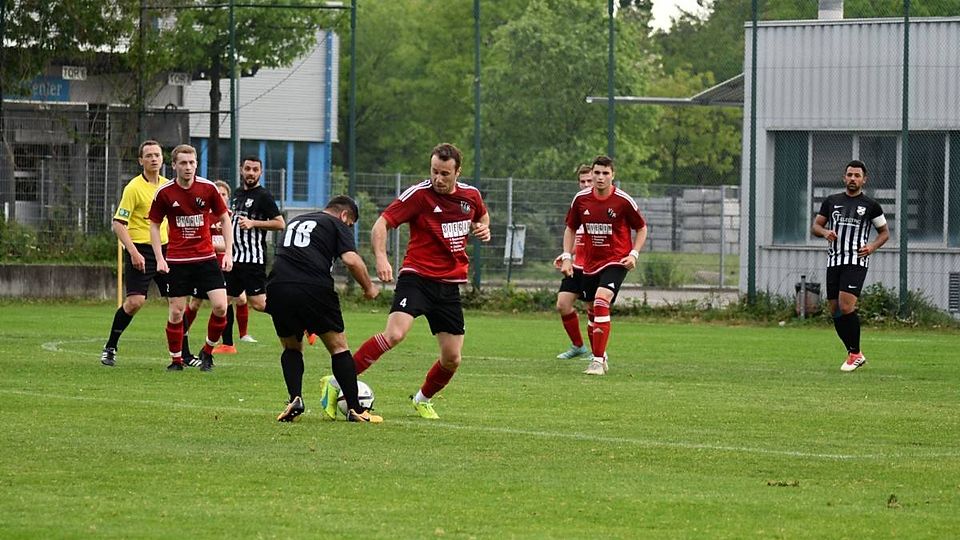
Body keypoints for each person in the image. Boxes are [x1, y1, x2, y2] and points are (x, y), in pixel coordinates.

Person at [351, 143, 490, 419]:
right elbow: (381, 223)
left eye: (445, 174)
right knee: (394, 334)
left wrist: (483, 227)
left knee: (452, 358)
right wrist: (381, 257)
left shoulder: (471, 196)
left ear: (458, 172)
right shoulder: (418, 195)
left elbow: (482, 216)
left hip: (449, 285)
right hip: (417, 278)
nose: (438, 178)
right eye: (434, 171)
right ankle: (338, 381)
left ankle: (422, 399)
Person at [267, 196, 382, 423]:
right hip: (313, 286)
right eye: (350, 224)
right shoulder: (337, 223)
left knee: (291, 347)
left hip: (278, 285)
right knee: (338, 347)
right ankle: (355, 409)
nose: (349, 228)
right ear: (344, 215)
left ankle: (295, 398)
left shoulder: (296, 221)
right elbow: (351, 260)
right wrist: (369, 287)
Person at [560, 155, 647, 376]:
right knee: (591, 310)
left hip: (617, 259)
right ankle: (601, 354)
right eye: (597, 173)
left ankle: (597, 361)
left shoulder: (623, 201)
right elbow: (570, 228)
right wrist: (567, 256)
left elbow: (641, 228)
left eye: (605, 173)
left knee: (601, 300)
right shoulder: (581, 199)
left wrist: (634, 254)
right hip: (590, 263)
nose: (600, 177)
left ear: (612, 175)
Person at [148, 144, 233, 372]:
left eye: (192, 162)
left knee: (221, 307)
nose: (188, 167)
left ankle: (207, 352)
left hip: (206, 258)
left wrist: (228, 253)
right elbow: (154, 225)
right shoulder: (164, 193)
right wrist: (160, 258)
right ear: (174, 165)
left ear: (197, 164)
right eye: (183, 163)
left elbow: (225, 219)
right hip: (178, 260)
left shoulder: (208, 188)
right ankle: (176, 360)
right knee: (176, 312)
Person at [811, 159, 889, 372]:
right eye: (850, 175)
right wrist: (825, 232)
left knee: (846, 306)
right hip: (834, 260)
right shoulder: (831, 201)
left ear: (864, 180)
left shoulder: (871, 206)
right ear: (844, 177)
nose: (853, 179)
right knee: (835, 310)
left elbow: (884, 233)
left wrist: (871, 247)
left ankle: (854, 353)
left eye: (857, 176)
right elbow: (816, 226)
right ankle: (855, 353)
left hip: (856, 261)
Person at [100, 140, 170, 367]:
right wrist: (133, 252)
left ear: (162, 158)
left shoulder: (168, 186)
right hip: (142, 250)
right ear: (141, 160)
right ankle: (110, 346)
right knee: (135, 302)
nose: (153, 159)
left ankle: (184, 354)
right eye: (148, 155)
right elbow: (118, 223)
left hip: (166, 250)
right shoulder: (133, 188)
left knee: (177, 301)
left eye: (157, 155)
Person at [215, 155, 285, 355]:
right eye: (248, 169)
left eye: (255, 170)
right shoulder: (237, 194)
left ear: (261, 172)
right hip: (234, 258)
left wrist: (254, 223)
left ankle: (303, 323)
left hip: (252, 260)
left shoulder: (263, 196)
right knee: (223, 301)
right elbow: (236, 219)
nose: (251, 173)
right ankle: (228, 345)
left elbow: (280, 223)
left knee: (260, 304)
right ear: (241, 170)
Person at [181, 180, 233, 365]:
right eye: (217, 194)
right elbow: (200, 241)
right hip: (203, 265)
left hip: (224, 266)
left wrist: (220, 246)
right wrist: (218, 245)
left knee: (224, 305)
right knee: (194, 303)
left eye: (224, 194)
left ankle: (212, 348)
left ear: (228, 197)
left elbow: (231, 243)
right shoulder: (202, 215)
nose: (220, 197)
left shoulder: (229, 217)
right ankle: (182, 338)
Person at [554, 164, 594, 360]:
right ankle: (578, 346)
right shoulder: (578, 203)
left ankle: (598, 353)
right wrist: (566, 255)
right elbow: (573, 233)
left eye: (589, 181)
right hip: (576, 266)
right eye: (582, 181)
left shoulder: (602, 205)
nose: (586, 185)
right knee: (563, 304)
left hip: (594, 267)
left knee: (593, 309)